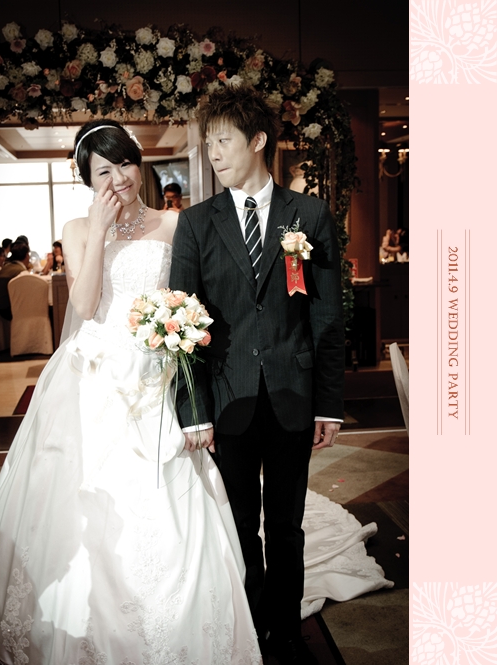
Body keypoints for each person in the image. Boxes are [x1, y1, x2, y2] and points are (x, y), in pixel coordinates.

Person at [0, 119, 263, 664]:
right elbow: (83, 307)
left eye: (125, 164)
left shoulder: (175, 223)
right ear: (87, 179)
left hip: (157, 374)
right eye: (103, 171)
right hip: (97, 374)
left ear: (138, 164)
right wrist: (100, 229)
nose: (118, 179)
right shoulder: (78, 228)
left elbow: (194, 297)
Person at [169, 85, 346, 663]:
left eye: (223, 140)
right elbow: (181, 325)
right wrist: (194, 411)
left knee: (287, 525)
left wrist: (328, 403)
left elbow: (326, 316)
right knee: (240, 523)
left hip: (293, 393)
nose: (214, 153)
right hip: (228, 397)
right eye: (209, 142)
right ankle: (248, 629)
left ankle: (286, 631)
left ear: (258, 140)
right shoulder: (196, 224)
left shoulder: (309, 215)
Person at [0, 241, 30, 320]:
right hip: (11, 310)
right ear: (27, 256)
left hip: (1, 307)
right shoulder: (21, 272)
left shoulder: (6, 267)